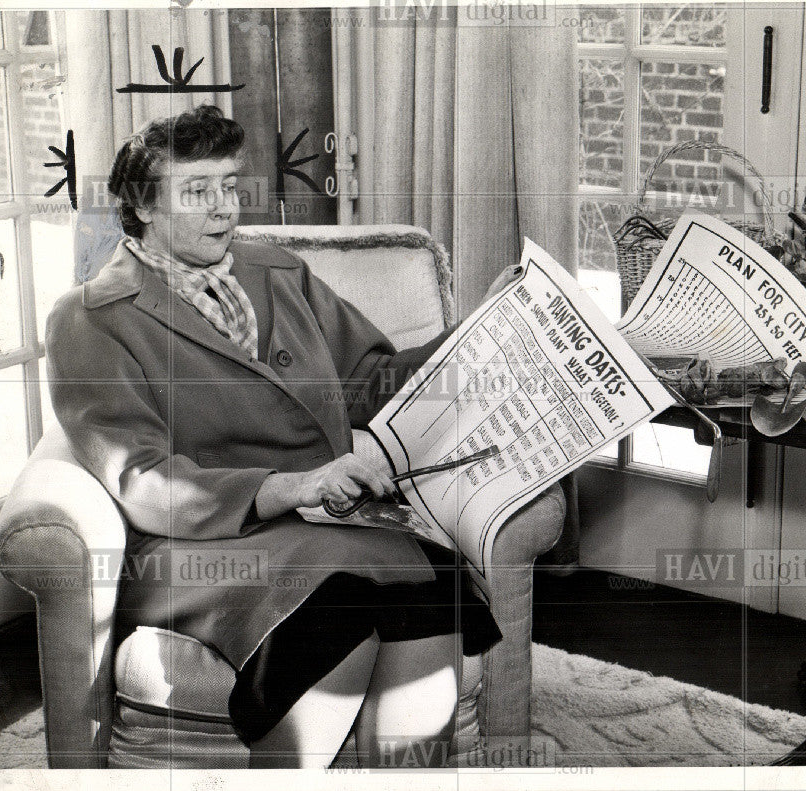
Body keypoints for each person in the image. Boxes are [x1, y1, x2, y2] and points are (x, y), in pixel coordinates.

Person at [45, 105, 515, 768]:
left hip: (321, 523)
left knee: (432, 582)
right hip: (198, 544)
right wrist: (292, 484)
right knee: (340, 606)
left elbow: (371, 380)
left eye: (230, 187)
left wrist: (484, 334)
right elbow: (143, 481)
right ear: (144, 207)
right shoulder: (89, 318)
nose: (224, 209)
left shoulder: (278, 272)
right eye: (198, 191)